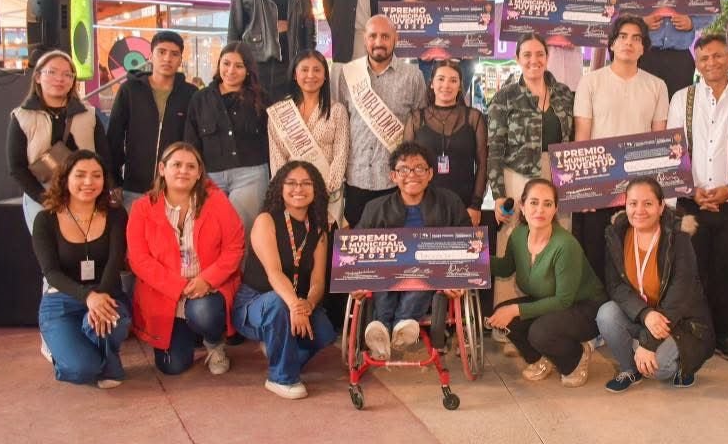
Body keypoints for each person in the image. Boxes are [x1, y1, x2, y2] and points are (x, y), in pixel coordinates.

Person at [667, 34, 728, 363]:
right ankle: (692, 333)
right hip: (690, 203)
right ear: (697, 63)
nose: (711, 63)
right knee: (689, 273)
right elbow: (675, 148)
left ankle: (723, 336)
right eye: (704, 58)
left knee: (727, 273)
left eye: (717, 56)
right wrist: (693, 188)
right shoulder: (682, 98)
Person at [126, 142, 244, 376]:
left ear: (199, 173)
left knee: (203, 313)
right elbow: (138, 259)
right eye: (177, 165)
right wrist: (178, 286)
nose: (183, 171)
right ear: (162, 169)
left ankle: (214, 342)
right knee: (173, 367)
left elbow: (235, 246)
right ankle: (189, 332)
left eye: (191, 166)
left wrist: (207, 280)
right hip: (166, 294)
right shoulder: (141, 208)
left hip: (208, 289)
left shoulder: (217, 201)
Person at [572, 15, 669, 281]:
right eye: (622, 36)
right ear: (612, 44)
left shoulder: (657, 86)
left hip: (638, 196)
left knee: (633, 267)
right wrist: (584, 190)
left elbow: (658, 140)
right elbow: (582, 137)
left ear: (643, 47)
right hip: (599, 188)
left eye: (636, 38)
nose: (629, 43)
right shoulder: (590, 82)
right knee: (596, 261)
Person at [357, 142, 472, 361]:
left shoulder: (450, 202)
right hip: (387, 276)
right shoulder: (375, 208)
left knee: (423, 276)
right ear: (393, 176)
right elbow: (356, 251)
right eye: (403, 169)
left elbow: (468, 244)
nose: (412, 174)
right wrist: (356, 282)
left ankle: (396, 327)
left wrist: (458, 279)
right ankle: (385, 328)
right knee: (382, 279)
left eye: (419, 168)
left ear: (430, 173)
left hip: (428, 275)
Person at [598, 177, 714, 391]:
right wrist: (645, 314)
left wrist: (649, 344)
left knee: (658, 369)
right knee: (606, 314)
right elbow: (616, 287)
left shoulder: (678, 237)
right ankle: (630, 370)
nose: (639, 210)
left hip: (679, 321)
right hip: (645, 315)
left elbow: (679, 296)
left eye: (648, 203)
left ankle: (682, 366)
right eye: (633, 203)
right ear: (625, 205)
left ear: (661, 207)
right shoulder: (616, 234)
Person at [234, 161, 337, 399]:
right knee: (277, 304)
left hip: (295, 302)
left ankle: (281, 352)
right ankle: (281, 378)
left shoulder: (319, 229)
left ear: (316, 189)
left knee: (324, 332)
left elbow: (318, 281)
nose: (298, 189)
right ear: (280, 188)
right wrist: (294, 306)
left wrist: (308, 304)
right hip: (256, 302)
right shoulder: (266, 220)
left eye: (306, 183)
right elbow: (274, 273)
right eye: (291, 183)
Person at [489, 178, 605, 387]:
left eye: (547, 204)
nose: (540, 210)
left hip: (586, 308)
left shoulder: (565, 245)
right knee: (504, 316)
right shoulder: (518, 235)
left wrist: (516, 309)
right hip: (552, 302)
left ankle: (576, 358)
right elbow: (506, 267)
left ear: (555, 209)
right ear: (522, 206)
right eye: (534, 202)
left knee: (540, 331)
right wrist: (475, 260)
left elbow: (563, 300)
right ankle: (540, 360)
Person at [32, 150, 131, 388]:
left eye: (96, 175)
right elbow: (51, 273)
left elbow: (115, 261)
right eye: (80, 175)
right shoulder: (45, 219)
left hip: (107, 294)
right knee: (82, 369)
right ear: (65, 178)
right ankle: (62, 350)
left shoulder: (116, 214)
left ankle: (105, 357)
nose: (89, 182)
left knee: (111, 321)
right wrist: (88, 297)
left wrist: (100, 297)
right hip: (62, 301)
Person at [337, 15, 428, 226]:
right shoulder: (349, 74)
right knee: (359, 243)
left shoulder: (413, 76)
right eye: (373, 36)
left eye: (385, 36)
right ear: (364, 38)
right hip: (356, 178)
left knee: (395, 243)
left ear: (396, 38)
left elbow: (420, 128)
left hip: (395, 181)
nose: (379, 42)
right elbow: (344, 123)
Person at [8, 50, 111, 235]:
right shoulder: (22, 117)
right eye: (52, 72)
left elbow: (104, 158)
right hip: (42, 195)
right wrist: (46, 199)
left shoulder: (89, 114)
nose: (59, 79)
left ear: (73, 81)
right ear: (38, 77)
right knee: (49, 248)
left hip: (85, 195)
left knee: (83, 247)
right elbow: (17, 167)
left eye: (67, 74)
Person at [488, 33, 576, 224]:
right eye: (527, 55)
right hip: (517, 177)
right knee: (516, 235)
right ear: (517, 58)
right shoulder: (505, 96)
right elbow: (495, 149)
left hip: (559, 177)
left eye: (540, 54)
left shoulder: (564, 93)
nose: (534, 60)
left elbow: (573, 138)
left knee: (559, 233)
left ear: (547, 57)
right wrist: (498, 195)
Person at [184, 42, 270, 237]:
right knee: (211, 234)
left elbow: (271, 139)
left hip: (251, 175)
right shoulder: (200, 99)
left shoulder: (260, 98)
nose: (231, 71)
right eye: (226, 63)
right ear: (219, 65)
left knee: (242, 234)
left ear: (247, 70)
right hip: (210, 177)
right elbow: (191, 142)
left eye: (239, 66)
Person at [108, 30, 197, 211]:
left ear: (180, 59)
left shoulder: (191, 94)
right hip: (134, 187)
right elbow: (114, 137)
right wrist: (113, 180)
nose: (167, 59)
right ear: (150, 56)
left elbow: (193, 141)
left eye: (174, 54)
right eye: (161, 52)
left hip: (175, 189)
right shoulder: (130, 90)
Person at [267, 49, 348, 224]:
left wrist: (324, 190)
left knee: (324, 238)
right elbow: (276, 156)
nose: (310, 75)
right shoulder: (280, 112)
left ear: (325, 76)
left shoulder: (337, 111)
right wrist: (289, 188)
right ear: (294, 75)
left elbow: (341, 154)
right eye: (304, 70)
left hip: (327, 195)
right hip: (293, 194)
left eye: (317, 70)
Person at [404, 60, 488, 227]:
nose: (446, 85)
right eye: (441, 79)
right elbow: (405, 163)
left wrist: (476, 204)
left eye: (453, 80)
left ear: (460, 86)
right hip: (423, 203)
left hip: (464, 203)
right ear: (432, 84)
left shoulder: (474, 118)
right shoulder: (416, 119)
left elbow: (483, 163)